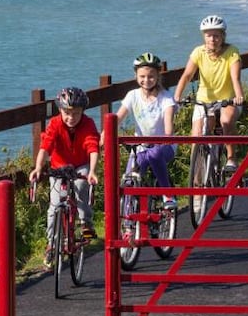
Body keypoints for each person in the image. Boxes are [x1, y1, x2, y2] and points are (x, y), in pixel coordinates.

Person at [29, 86, 100, 267]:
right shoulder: (54, 124)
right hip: (59, 167)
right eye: (67, 113)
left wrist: (92, 171)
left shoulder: (88, 124)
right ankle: (52, 244)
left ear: (82, 112)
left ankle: (86, 224)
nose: (71, 117)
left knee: (81, 188)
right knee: (54, 206)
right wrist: (38, 168)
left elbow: (92, 147)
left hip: (81, 165)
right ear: (60, 110)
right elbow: (46, 147)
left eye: (76, 113)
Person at [103, 52, 178, 209]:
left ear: (158, 76)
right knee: (130, 179)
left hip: (164, 146)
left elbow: (168, 126)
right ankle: (129, 223)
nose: (146, 80)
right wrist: (105, 133)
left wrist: (166, 137)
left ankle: (168, 194)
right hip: (141, 147)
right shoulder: (133, 96)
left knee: (155, 154)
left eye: (151, 76)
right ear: (136, 75)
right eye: (142, 76)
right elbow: (117, 117)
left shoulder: (166, 98)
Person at [173, 15, 244, 170]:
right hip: (204, 100)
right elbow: (187, 75)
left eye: (216, 35)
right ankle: (198, 180)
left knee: (226, 121)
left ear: (223, 36)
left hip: (227, 99)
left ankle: (231, 158)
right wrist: (177, 95)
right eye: (209, 35)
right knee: (197, 136)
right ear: (204, 36)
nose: (212, 39)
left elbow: (235, 77)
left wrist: (239, 96)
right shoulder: (198, 52)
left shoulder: (232, 52)